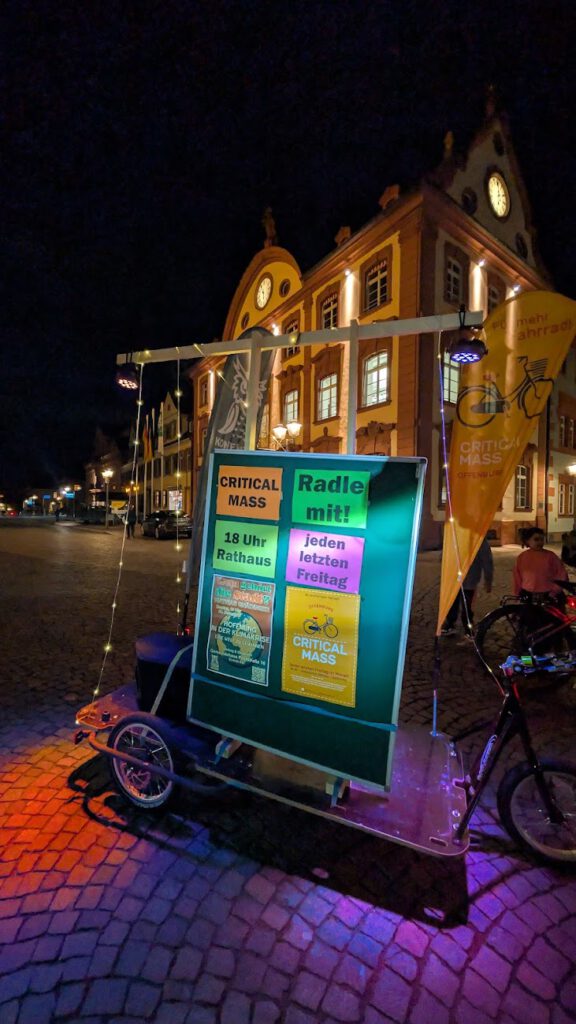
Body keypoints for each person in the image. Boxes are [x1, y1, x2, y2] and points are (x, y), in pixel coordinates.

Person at [441, 537, 494, 636]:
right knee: (453, 602)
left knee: (467, 604)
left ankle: (467, 626)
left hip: (469, 578)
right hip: (454, 578)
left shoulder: (479, 539)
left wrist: (488, 580)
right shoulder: (455, 536)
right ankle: (451, 624)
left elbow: (487, 561)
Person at [513, 527, 567, 597]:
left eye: (542, 539)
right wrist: (518, 592)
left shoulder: (550, 556)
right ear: (527, 541)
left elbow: (561, 574)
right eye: (536, 539)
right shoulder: (522, 557)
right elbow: (517, 576)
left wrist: (555, 590)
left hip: (548, 594)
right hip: (528, 593)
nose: (540, 542)